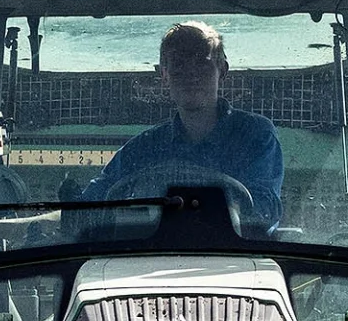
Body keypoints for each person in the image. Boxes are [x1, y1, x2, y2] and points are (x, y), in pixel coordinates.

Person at [85, 22, 284, 223]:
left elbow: (264, 210)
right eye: (178, 64)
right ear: (164, 74)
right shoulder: (143, 148)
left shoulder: (255, 135)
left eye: (201, 62)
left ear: (222, 70)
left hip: (233, 253)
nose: (191, 74)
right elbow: (88, 205)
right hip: (150, 252)